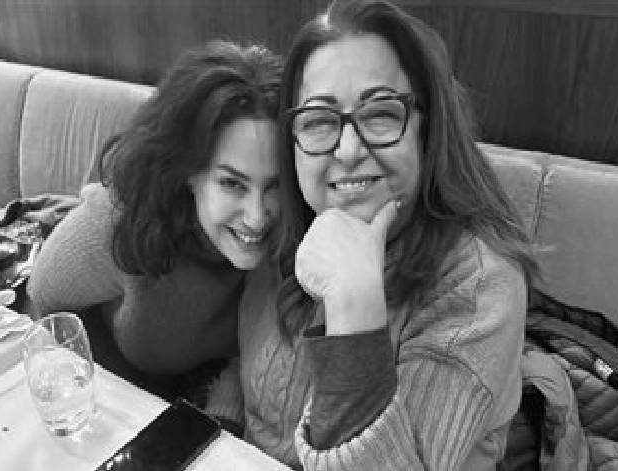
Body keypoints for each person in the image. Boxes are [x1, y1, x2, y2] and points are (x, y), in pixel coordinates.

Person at [203, 1, 539, 469]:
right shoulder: (289, 228)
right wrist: (215, 432)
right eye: (319, 121)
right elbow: (252, 367)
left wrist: (354, 306)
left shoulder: (479, 287)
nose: (347, 150)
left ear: (427, 129)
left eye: (380, 113)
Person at [27, 41, 282, 399]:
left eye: (275, 185)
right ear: (186, 172)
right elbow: (43, 296)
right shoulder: (119, 223)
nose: (257, 218)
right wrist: (124, 394)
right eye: (231, 183)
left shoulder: (296, 235)